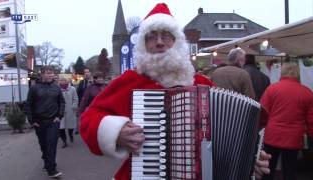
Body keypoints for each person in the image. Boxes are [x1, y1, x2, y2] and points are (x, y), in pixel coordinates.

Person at [80, 3, 270, 180]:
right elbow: (89, 120)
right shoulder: (129, 82)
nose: (160, 42)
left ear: (177, 41)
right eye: (152, 36)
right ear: (143, 45)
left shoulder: (201, 85)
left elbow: (233, 132)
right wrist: (115, 132)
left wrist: (251, 158)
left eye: (166, 35)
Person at [260, 63, 313, 180]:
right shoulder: (307, 92)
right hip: (293, 138)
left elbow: (262, 112)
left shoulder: (272, 89)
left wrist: (261, 127)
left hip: (272, 135)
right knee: (290, 170)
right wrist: (310, 136)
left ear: (282, 73)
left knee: (268, 169)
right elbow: (311, 119)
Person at [25, 66, 65, 178]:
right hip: (39, 122)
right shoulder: (34, 88)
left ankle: (52, 169)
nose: (50, 75)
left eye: (52, 73)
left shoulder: (56, 88)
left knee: (51, 143)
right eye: (48, 73)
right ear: (41, 74)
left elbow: (61, 102)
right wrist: (32, 121)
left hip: (53, 121)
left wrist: (59, 115)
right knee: (44, 145)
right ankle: (46, 161)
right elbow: (28, 105)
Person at [58, 76, 78, 148]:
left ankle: (70, 135)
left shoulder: (72, 89)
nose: (63, 81)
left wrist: (74, 106)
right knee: (61, 127)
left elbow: (75, 98)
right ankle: (64, 141)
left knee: (70, 126)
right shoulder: (57, 89)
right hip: (60, 111)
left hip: (70, 110)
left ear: (67, 81)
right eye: (61, 80)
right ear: (59, 81)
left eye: (64, 80)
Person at [76, 68, 92, 134]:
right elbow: (78, 93)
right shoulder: (82, 82)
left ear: (90, 73)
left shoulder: (93, 81)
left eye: (87, 72)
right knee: (83, 117)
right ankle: (83, 129)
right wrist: (79, 104)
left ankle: (90, 129)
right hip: (83, 104)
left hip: (91, 104)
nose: (86, 73)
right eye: (85, 72)